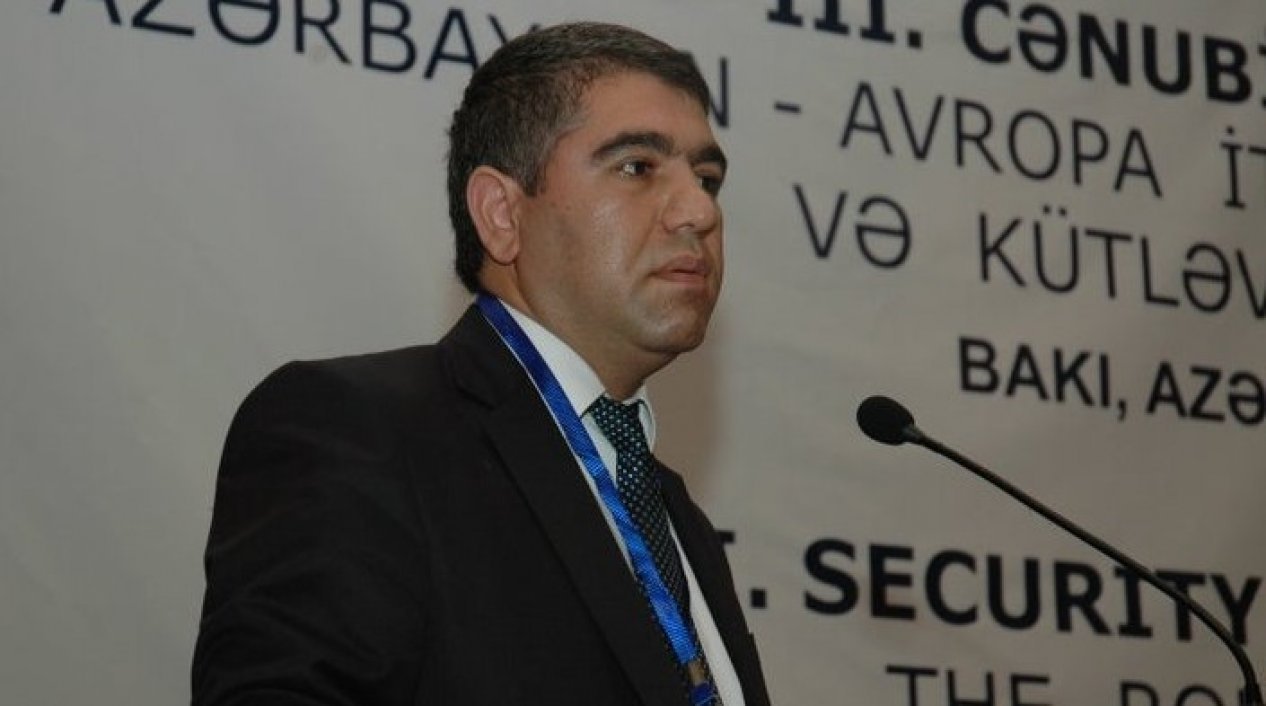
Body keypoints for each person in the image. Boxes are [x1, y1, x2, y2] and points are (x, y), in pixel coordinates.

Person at [192, 21, 770, 706]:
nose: (700, 211)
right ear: (500, 213)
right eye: (637, 167)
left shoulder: (675, 517)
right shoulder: (361, 433)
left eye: (707, 178)